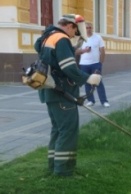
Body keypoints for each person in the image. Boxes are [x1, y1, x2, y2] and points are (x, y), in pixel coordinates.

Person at [34, 14, 101, 177]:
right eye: (75, 32)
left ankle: (54, 167)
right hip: (62, 92)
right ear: (70, 26)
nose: (74, 35)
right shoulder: (62, 39)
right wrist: (88, 78)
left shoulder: (47, 36)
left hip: (49, 91)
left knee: (57, 130)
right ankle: (64, 171)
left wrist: (72, 48)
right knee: (68, 131)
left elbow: (49, 56)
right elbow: (68, 67)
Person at [76, 22, 110, 107]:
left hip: (95, 63)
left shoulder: (98, 37)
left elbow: (102, 50)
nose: (88, 29)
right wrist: (84, 50)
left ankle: (104, 101)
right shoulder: (81, 38)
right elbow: (76, 51)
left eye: (90, 27)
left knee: (98, 82)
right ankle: (90, 100)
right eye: (87, 28)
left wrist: (100, 63)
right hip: (84, 64)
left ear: (92, 28)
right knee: (87, 82)